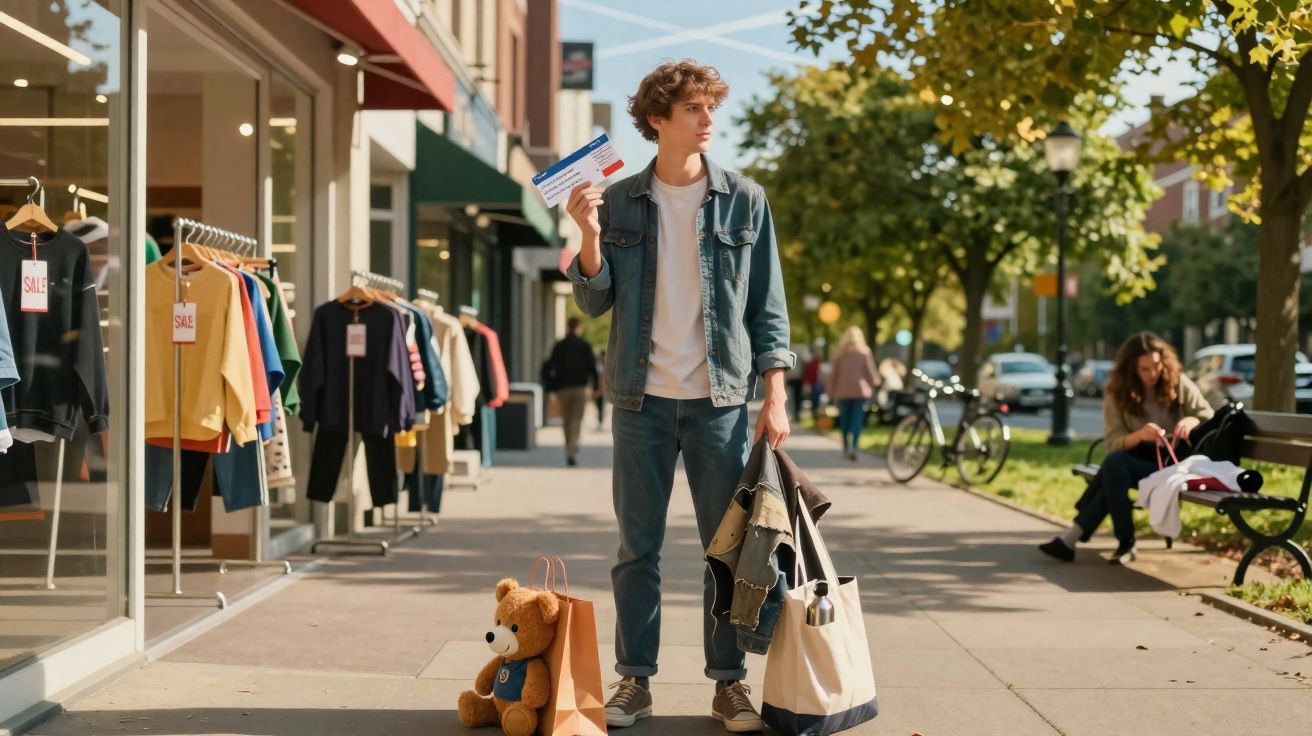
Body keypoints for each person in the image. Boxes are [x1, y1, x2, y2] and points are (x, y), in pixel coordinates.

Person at [565, 59, 793, 732]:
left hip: (720, 401)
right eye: (693, 109)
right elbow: (596, 298)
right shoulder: (621, 200)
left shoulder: (745, 200)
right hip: (640, 401)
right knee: (638, 548)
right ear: (657, 120)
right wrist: (587, 235)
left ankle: (728, 683)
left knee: (725, 549)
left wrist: (774, 396)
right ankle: (634, 680)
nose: (708, 120)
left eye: (710, 108)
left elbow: (767, 307)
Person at [1039, 331, 1214, 565]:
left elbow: (1208, 415)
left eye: (1156, 365)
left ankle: (1086, 539)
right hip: (1141, 458)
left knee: (1111, 470)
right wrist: (1140, 435)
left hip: (1175, 460)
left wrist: (1190, 421)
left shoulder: (1177, 381)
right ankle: (1114, 543)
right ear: (1131, 369)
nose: (1152, 374)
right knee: (1114, 465)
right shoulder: (1116, 392)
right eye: (1144, 369)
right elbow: (1114, 443)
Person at [546, 317, 598, 466]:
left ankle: (569, 447)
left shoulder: (560, 345)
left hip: (563, 388)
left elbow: (550, 366)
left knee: (566, 420)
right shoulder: (585, 346)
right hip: (580, 389)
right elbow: (592, 368)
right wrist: (594, 388)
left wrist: (551, 388)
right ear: (579, 327)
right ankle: (572, 448)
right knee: (576, 420)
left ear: (568, 327)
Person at [828, 326, 880, 461]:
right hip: (859, 391)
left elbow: (834, 375)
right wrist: (875, 382)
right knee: (857, 419)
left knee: (844, 419)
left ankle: (846, 447)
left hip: (842, 391)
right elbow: (870, 371)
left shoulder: (840, 353)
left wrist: (831, 391)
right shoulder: (864, 352)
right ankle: (854, 447)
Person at [785, 345, 808, 421]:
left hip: (796, 379)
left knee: (796, 398)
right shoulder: (801, 349)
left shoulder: (789, 348)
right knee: (794, 398)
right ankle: (794, 414)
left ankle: (796, 414)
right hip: (793, 379)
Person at [803, 349, 824, 421]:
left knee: (814, 400)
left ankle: (814, 415)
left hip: (812, 383)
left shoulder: (810, 363)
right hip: (816, 383)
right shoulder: (817, 361)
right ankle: (816, 416)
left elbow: (807, 374)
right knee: (816, 400)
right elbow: (819, 372)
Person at [595, 349, 608, 428]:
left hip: (602, 388)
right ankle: (600, 419)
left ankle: (601, 419)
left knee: (601, 405)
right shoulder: (598, 364)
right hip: (600, 388)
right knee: (599, 405)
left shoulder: (605, 364)